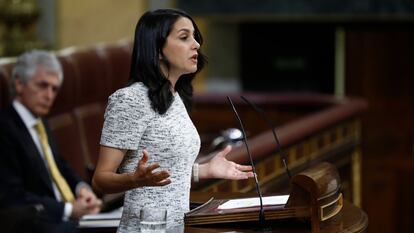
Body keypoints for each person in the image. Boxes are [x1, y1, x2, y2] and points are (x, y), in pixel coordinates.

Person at [92, 8, 254, 232]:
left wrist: (205, 170)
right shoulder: (129, 100)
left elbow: (166, 171)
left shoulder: (174, 96)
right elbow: (100, 180)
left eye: (195, 37)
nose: (196, 44)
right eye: (184, 37)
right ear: (157, 49)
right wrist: (134, 180)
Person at [0, 50, 102, 233]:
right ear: (19, 84)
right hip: (38, 223)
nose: (49, 96)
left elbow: (59, 165)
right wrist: (69, 210)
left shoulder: (40, 121)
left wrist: (82, 190)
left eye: (54, 89)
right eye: (42, 86)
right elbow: (11, 195)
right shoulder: (5, 128)